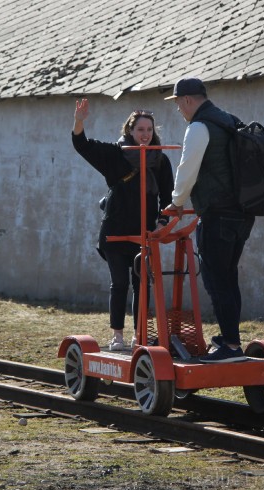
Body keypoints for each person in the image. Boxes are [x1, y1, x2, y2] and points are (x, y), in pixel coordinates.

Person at [72, 99, 174, 351]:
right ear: (130, 131)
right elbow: (82, 145)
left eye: (149, 130)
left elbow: (167, 197)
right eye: (140, 130)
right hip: (116, 232)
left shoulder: (160, 160)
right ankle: (117, 335)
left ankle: (139, 335)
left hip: (144, 232)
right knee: (119, 283)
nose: (145, 135)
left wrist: (162, 221)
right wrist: (79, 121)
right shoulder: (114, 154)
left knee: (142, 284)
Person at [164, 77, 252, 363]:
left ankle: (230, 345)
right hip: (242, 213)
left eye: (178, 103)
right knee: (228, 278)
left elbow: (187, 169)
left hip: (217, 214)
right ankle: (232, 340)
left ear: (188, 100)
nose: (178, 109)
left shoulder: (199, 127)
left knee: (216, 280)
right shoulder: (229, 119)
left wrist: (177, 203)